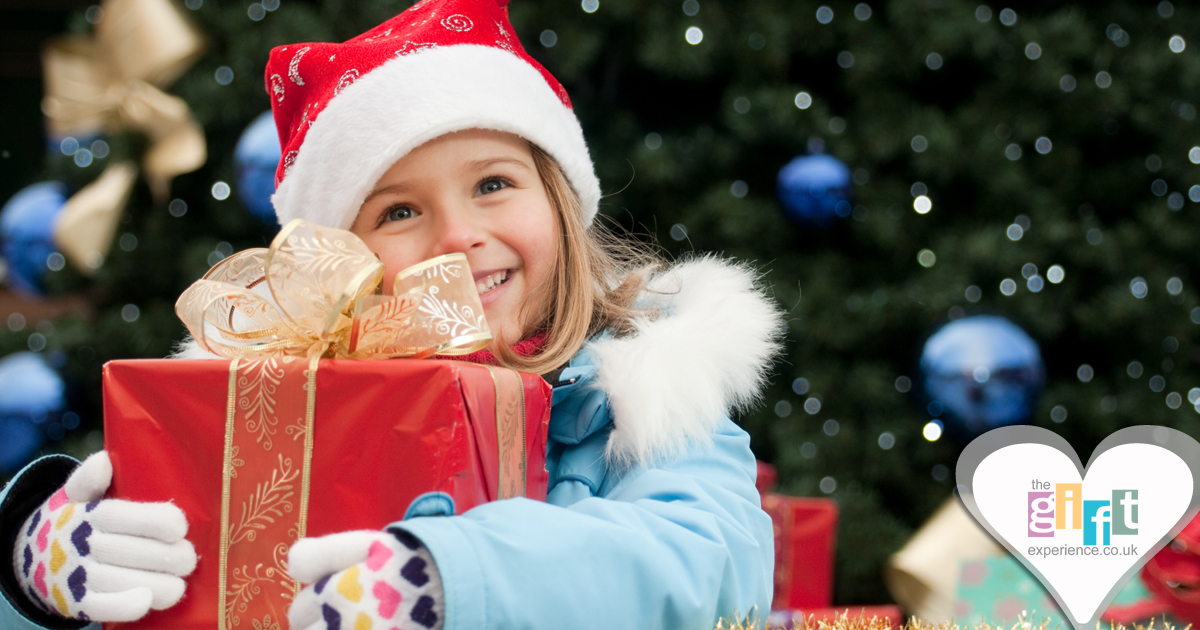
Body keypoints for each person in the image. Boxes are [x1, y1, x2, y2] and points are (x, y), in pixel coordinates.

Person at [0, 1, 785, 628]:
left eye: (492, 185)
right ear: (344, 261)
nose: (457, 235)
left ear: (561, 201)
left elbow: (711, 563)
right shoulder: (270, 404)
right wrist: (30, 566)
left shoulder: (643, 396)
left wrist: (457, 578)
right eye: (401, 210)